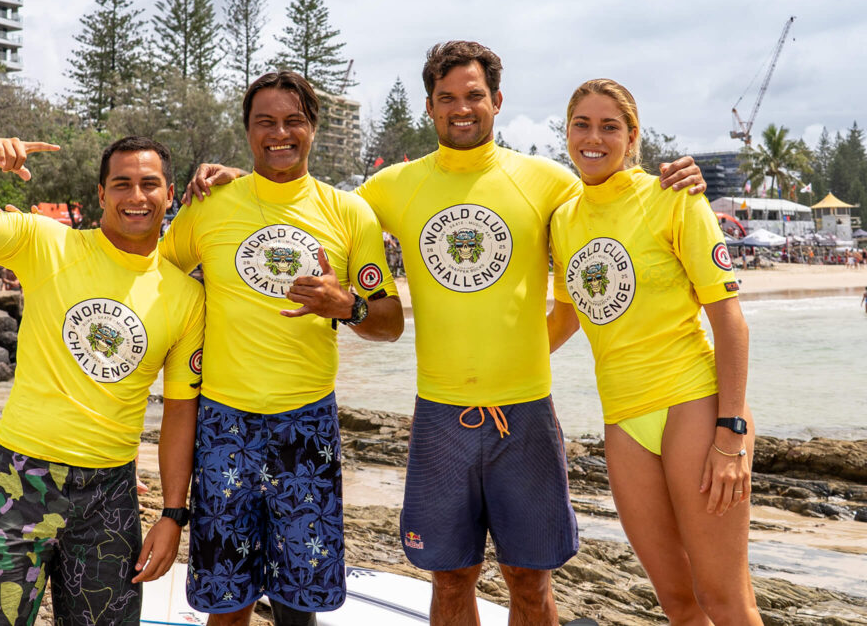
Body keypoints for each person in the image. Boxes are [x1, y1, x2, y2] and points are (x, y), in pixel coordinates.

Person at [187, 42, 706, 625]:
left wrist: (675, 175)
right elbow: (304, 202)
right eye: (448, 98)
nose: (462, 108)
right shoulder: (392, 188)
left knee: (530, 583)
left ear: (497, 101)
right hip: (438, 415)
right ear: (430, 108)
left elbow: (612, 196)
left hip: (527, 412)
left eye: (474, 96)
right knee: (451, 580)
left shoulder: (549, 182)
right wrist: (237, 180)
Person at [0, 135, 205, 625]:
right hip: (18, 482)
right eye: (122, 184)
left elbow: (180, 410)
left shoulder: (185, 298)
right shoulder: (47, 242)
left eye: (149, 184)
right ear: (100, 194)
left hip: (110, 496)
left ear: (170, 194)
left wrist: (174, 515)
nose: (136, 196)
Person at [161, 71, 403, 626]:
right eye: (265, 122)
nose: (280, 134)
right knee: (228, 600)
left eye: (294, 120)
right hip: (224, 422)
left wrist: (347, 305)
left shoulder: (348, 213)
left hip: (307, 423)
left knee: (301, 602)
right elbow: (154, 278)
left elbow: (388, 323)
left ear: (313, 128)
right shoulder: (211, 205)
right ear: (247, 131)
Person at [549, 79, 761, 624]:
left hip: (692, 402)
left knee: (725, 599)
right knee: (677, 602)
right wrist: (488, 370)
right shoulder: (564, 221)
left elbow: (729, 321)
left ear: (632, 136)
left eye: (609, 126)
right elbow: (567, 316)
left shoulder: (673, 198)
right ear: (567, 132)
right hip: (622, 419)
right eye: (582, 124)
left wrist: (732, 432)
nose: (594, 138)